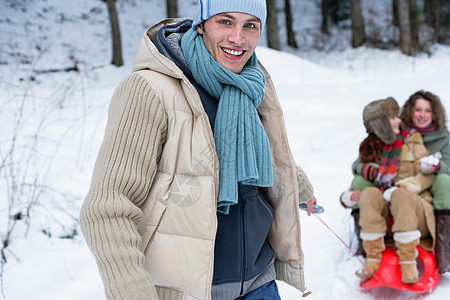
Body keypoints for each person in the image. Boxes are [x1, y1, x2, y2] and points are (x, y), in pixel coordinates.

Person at [79, 0, 317, 299]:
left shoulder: (250, 82)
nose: (238, 38)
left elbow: (261, 150)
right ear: (201, 24)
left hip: (259, 282)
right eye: (225, 22)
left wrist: (300, 186)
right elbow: (107, 208)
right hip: (190, 290)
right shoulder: (150, 89)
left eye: (250, 25)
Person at [341, 97, 435, 283]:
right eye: (392, 117)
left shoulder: (412, 141)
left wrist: (402, 188)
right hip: (389, 219)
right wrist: (348, 198)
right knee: (369, 193)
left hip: (417, 215)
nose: (399, 120)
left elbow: (427, 176)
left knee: (400, 194)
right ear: (380, 124)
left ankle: (408, 261)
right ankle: (373, 258)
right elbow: (359, 180)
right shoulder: (371, 149)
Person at [400, 90, 450, 274]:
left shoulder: (444, 138)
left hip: (433, 192)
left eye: (427, 111)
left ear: (434, 113)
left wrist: (438, 166)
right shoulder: (399, 134)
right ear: (410, 112)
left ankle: (444, 249)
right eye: (418, 110)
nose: (422, 115)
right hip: (404, 185)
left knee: (444, 180)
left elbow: (449, 165)